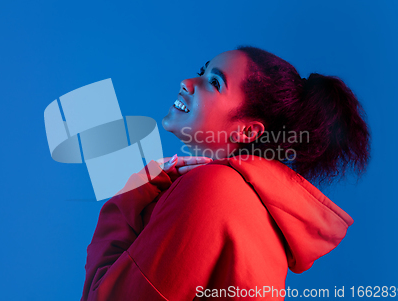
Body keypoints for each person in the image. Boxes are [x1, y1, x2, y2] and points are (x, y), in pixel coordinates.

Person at [80, 46, 371, 300]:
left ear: (248, 130)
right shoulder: (253, 201)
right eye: (202, 71)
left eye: (215, 82)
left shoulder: (212, 189)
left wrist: (134, 190)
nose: (187, 82)